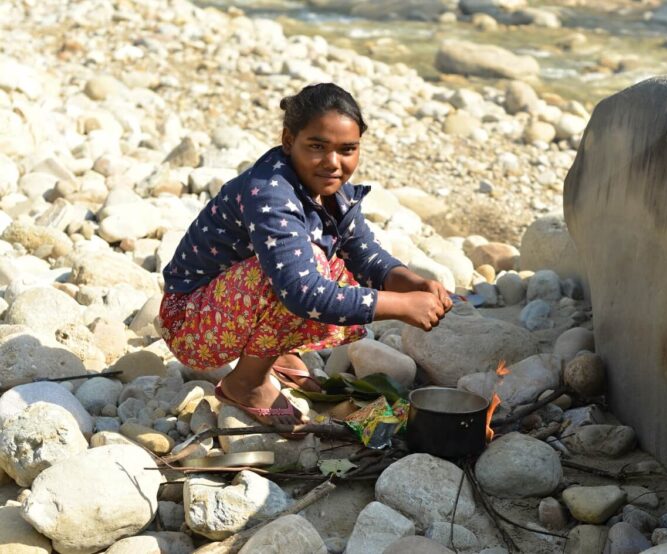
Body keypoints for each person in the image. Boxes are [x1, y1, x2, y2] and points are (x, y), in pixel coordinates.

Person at [157, 83, 452, 428]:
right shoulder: (269, 193)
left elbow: (365, 255)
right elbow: (301, 293)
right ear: (288, 141)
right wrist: (401, 307)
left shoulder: (332, 192)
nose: (333, 163)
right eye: (316, 147)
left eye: (347, 150)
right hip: (191, 324)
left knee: (338, 267)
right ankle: (246, 383)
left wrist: (413, 284)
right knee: (305, 271)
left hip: (228, 307)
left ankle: (271, 353)